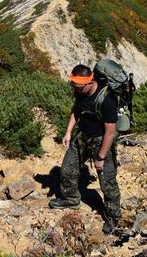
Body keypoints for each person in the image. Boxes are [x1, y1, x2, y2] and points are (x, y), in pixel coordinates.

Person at [49, 63, 121, 234]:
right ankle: (71, 199)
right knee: (67, 169)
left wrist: (101, 157)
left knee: (107, 181)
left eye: (79, 87)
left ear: (90, 83)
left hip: (101, 140)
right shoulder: (80, 91)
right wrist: (68, 132)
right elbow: (76, 110)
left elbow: (110, 132)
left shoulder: (107, 99)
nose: (75, 89)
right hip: (82, 136)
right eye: (74, 85)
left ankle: (113, 216)